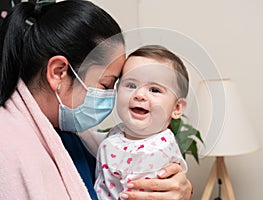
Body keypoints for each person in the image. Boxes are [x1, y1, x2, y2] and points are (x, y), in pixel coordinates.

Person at [0, 1, 192, 199]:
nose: (112, 96)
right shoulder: (8, 147)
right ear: (59, 72)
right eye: (105, 85)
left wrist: (178, 188)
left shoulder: (75, 137)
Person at [94, 45, 190, 200]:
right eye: (131, 85)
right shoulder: (118, 132)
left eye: (154, 90)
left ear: (177, 108)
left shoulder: (157, 150)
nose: (139, 95)